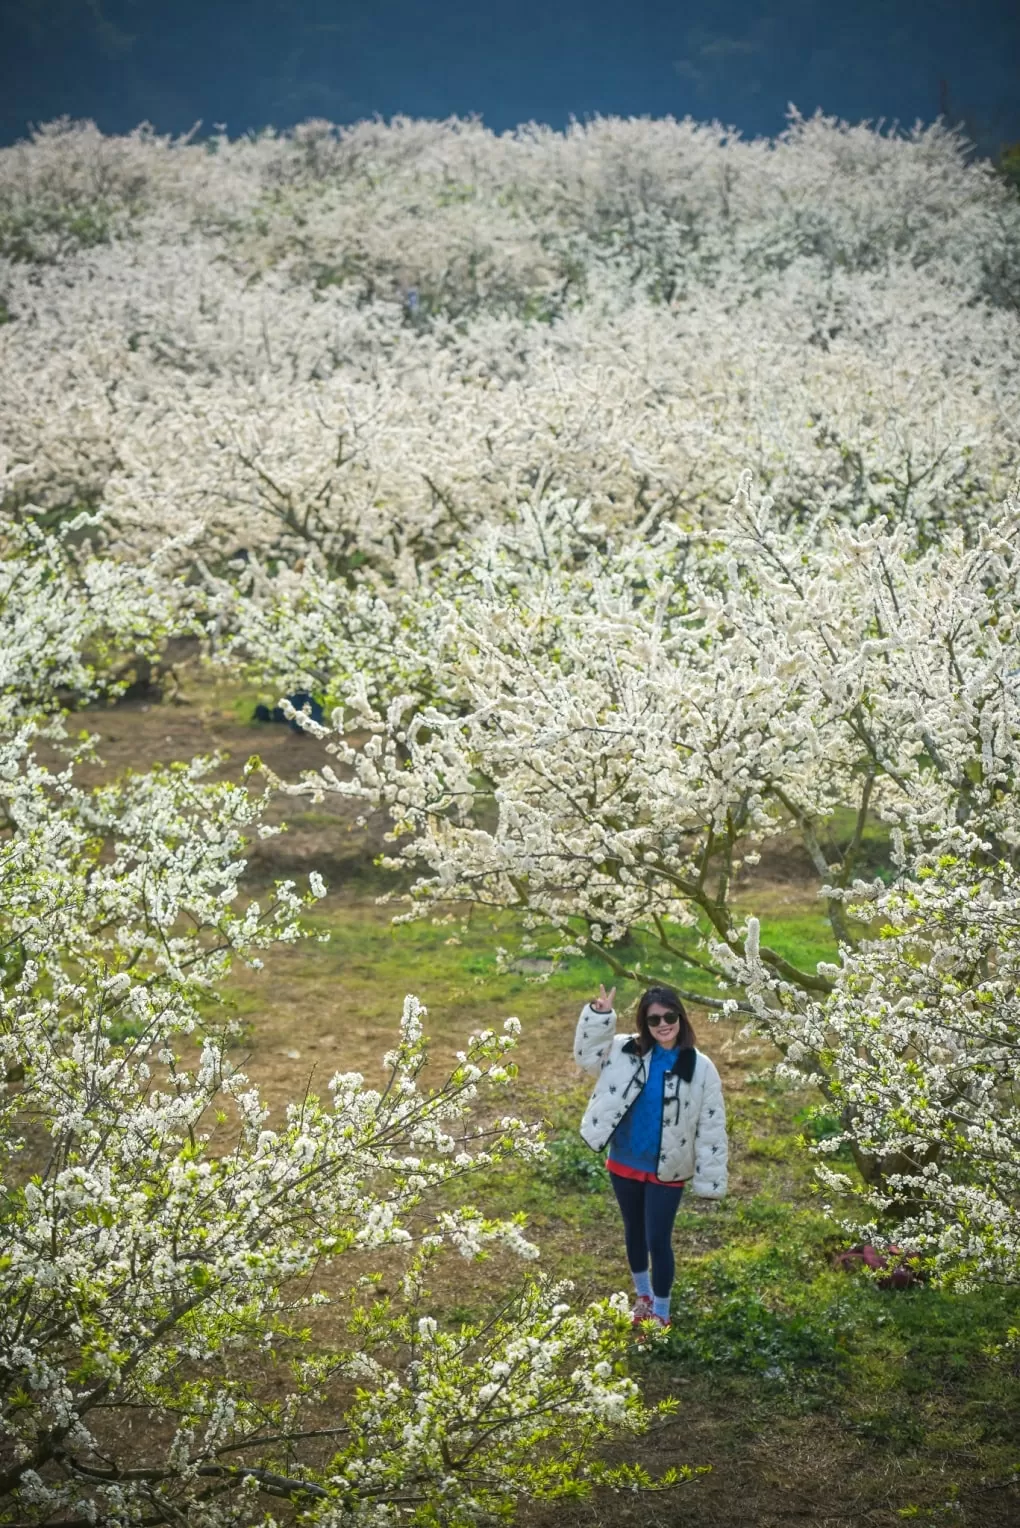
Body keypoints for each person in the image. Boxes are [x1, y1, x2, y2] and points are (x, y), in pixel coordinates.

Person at [574, 982, 728, 1330]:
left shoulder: (700, 1067)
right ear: (644, 1022)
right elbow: (587, 1058)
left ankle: (662, 1310)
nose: (663, 1025)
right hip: (625, 1160)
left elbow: (711, 1125)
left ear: (680, 1017)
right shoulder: (625, 1049)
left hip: (668, 1169)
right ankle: (642, 1296)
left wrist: (710, 1179)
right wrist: (599, 1017)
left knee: (658, 1239)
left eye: (669, 1016)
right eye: (653, 1019)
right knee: (634, 1231)